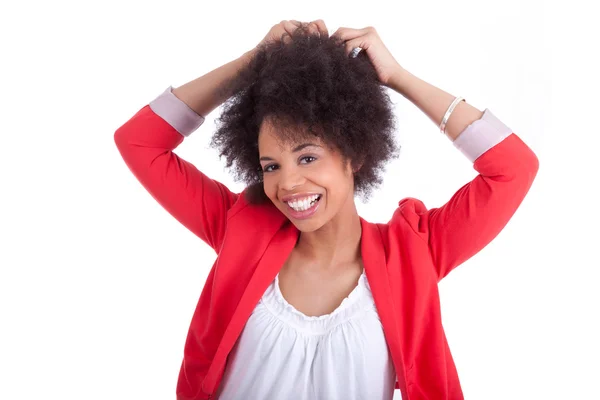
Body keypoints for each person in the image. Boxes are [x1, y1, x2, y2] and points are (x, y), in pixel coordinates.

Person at [114, 20, 539, 400]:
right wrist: (250, 65)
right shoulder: (239, 229)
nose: (288, 184)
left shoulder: (414, 253)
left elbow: (513, 169)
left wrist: (398, 79)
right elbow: (139, 141)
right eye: (271, 166)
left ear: (353, 154)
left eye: (308, 157)